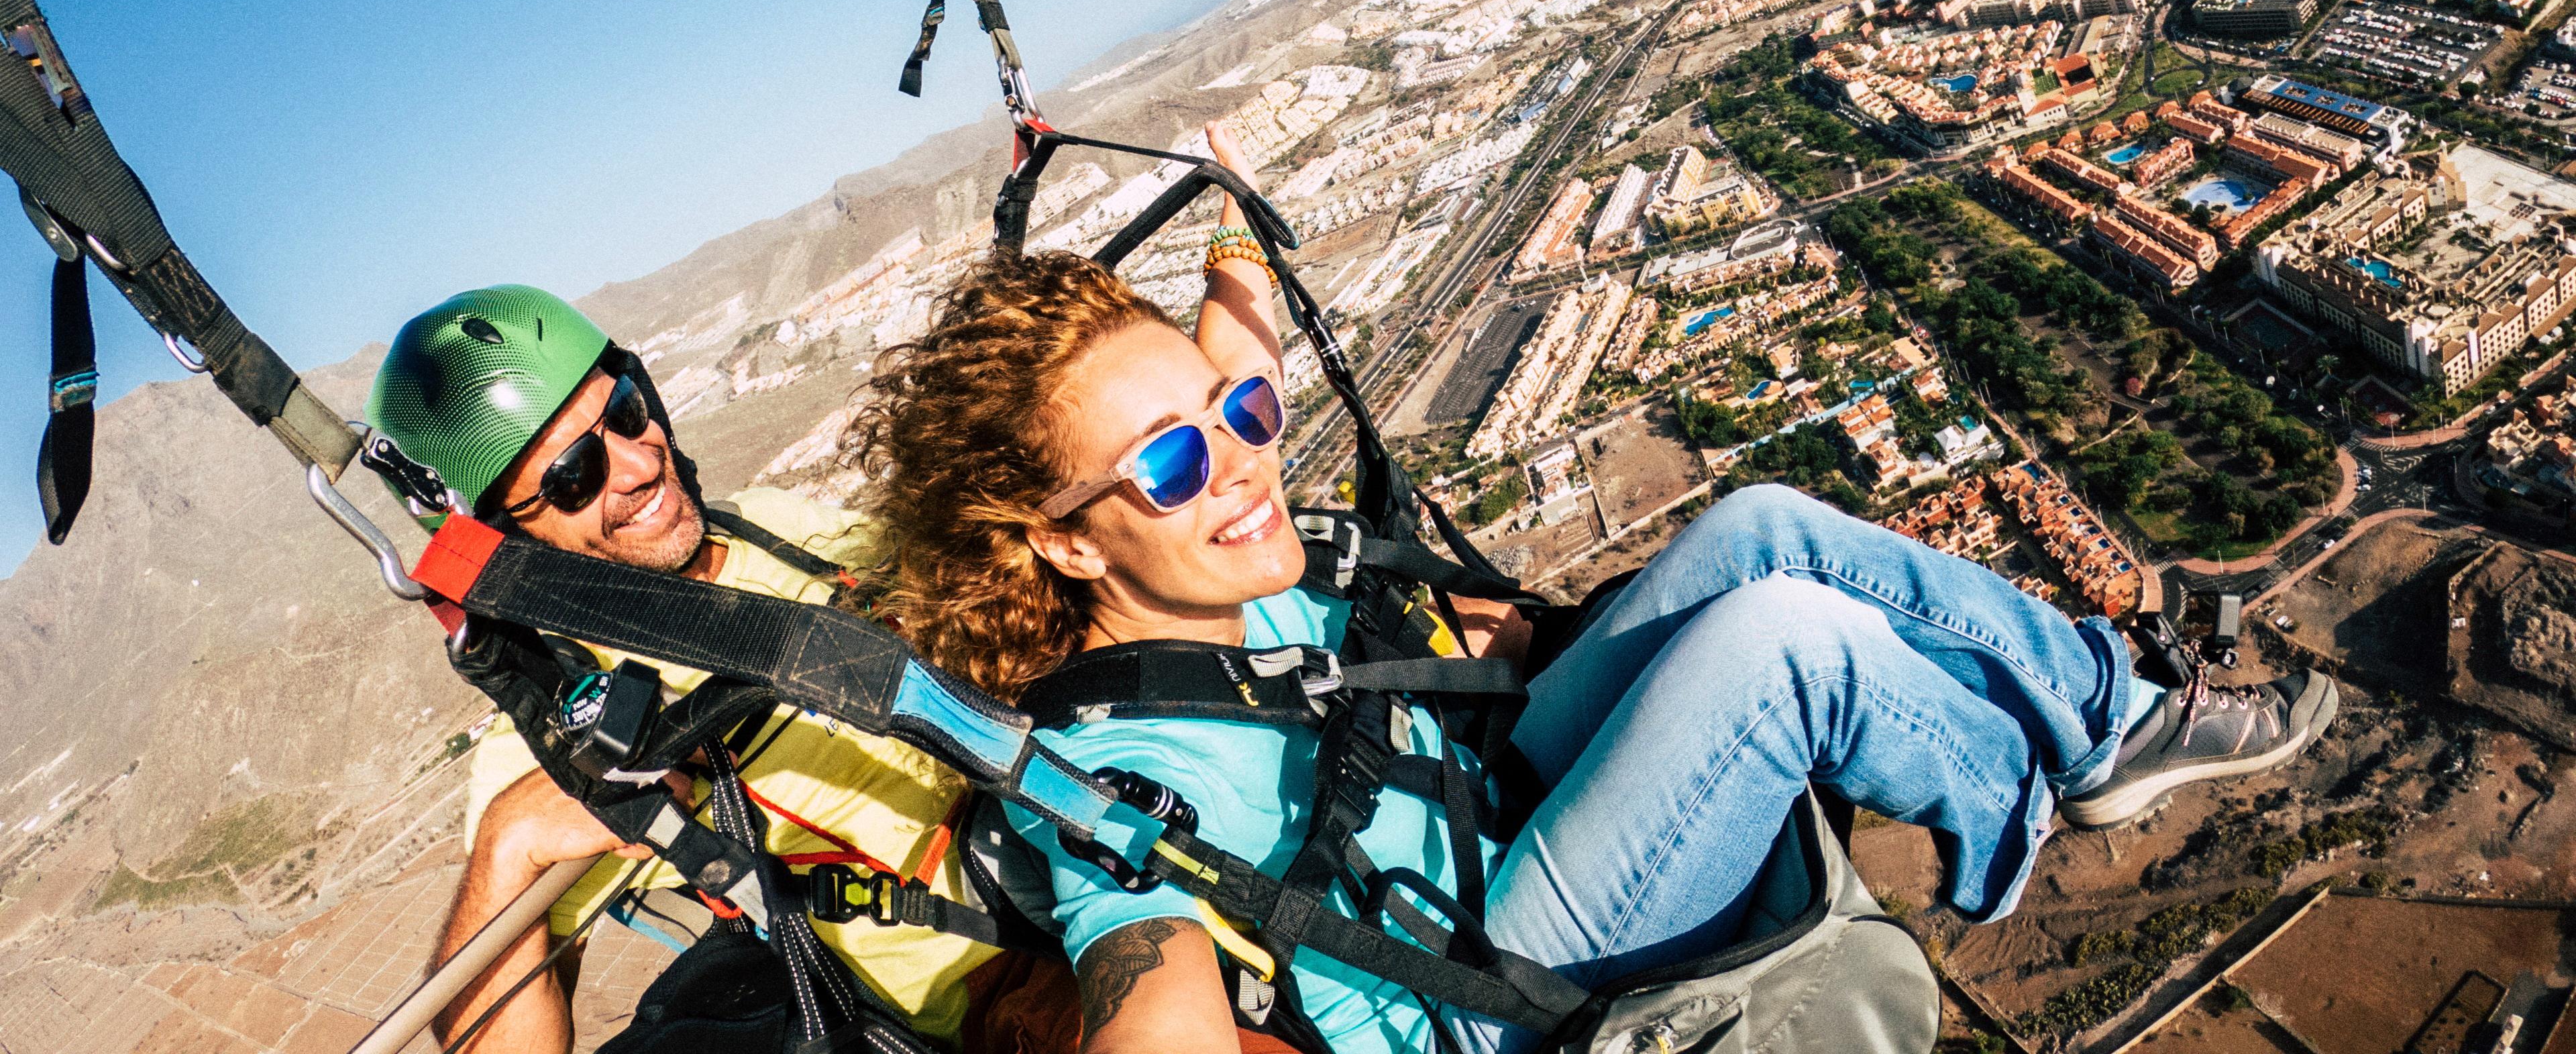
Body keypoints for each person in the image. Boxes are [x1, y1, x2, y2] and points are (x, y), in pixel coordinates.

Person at [849, 124, 2341, 1053]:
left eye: (1236, 422)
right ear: (1056, 538)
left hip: (1485, 794)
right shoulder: (1108, 770)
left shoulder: (1206, 563)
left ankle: (2108, 724)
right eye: (1173, 462)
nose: (1241, 461)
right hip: (1483, 979)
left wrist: (1226, 206)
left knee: (1760, 527)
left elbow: (1239, 356)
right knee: (1784, 645)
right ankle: (2013, 812)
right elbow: (1148, 981)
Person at [366, 285, 1022, 1054]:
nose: (642, 463)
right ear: (506, 540)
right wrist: (511, 844)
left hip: (1049, 828)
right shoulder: (559, 730)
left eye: (627, 411)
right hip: (988, 994)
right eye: (575, 475)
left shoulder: (767, 524)